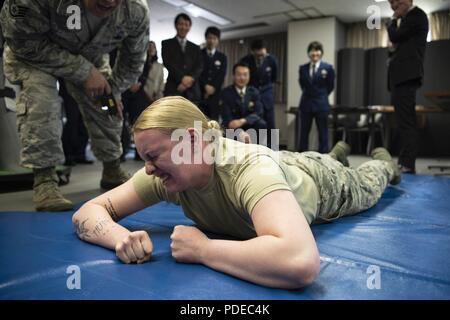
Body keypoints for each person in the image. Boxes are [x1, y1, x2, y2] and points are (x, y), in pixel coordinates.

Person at [72, 96, 401, 289]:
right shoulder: (167, 172)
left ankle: (383, 161)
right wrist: (118, 238)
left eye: (153, 157)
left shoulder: (248, 169)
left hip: (323, 181)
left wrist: (205, 250)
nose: (147, 169)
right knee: (310, 157)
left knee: (368, 181)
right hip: (285, 162)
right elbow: (87, 212)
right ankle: (337, 150)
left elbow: (301, 262)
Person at [0, 0, 149, 211]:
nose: (109, 2)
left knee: (108, 107)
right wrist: (84, 72)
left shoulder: (135, 9)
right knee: (42, 102)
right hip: (35, 54)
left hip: (90, 55)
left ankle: (112, 168)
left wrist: (112, 90)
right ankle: (45, 180)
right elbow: (21, 42)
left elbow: (133, 62)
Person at [387, 0, 428, 174]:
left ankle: (407, 163)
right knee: (403, 121)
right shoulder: (407, 21)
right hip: (400, 78)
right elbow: (396, 46)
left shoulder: (416, 15)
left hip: (406, 77)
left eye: (396, 1)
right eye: (390, 3)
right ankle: (405, 161)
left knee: (407, 122)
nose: (394, 5)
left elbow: (395, 37)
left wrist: (390, 21)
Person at [121, 41, 165, 160]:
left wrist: (158, 96)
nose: (151, 49)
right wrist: (145, 94)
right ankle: (133, 151)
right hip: (140, 98)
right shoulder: (140, 64)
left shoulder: (159, 66)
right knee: (137, 125)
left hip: (154, 98)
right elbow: (141, 82)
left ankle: (145, 153)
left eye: (153, 47)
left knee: (150, 127)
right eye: (149, 47)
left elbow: (161, 83)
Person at [297, 41, 335, 154]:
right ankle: (302, 155)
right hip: (306, 104)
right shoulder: (302, 68)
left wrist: (321, 95)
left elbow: (330, 86)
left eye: (317, 50)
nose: (315, 53)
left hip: (321, 104)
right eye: (312, 50)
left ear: (321, 53)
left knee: (323, 132)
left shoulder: (328, 68)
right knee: (303, 132)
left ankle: (323, 155)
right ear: (309, 53)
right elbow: (302, 85)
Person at [240, 39, 278, 148]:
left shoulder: (272, 60)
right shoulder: (246, 60)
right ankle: (257, 149)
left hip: (267, 97)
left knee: (271, 125)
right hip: (252, 97)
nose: (260, 57)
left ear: (265, 50)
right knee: (255, 124)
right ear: (253, 52)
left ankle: (273, 149)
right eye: (258, 55)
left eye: (262, 54)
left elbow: (274, 78)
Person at [220, 63, 266, 144]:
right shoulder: (226, 93)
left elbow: (259, 112)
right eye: (239, 75)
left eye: (245, 75)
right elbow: (227, 119)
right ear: (233, 76)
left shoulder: (254, 92)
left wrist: (243, 121)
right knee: (226, 129)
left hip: (248, 125)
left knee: (261, 124)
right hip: (232, 127)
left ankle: (260, 152)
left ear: (249, 76)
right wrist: (239, 132)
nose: (242, 78)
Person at [162, 13, 202, 103]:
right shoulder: (166, 44)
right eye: (181, 24)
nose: (183, 27)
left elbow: (199, 66)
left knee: (192, 116)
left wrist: (189, 79)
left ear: (189, 27)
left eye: (186, 25)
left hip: (192, 91)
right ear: (176, 25)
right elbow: (168, 63)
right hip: (173, 88)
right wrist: (182, 79)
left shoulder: (196, 47)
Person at [198, 27, 227, 121]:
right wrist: (205, 86)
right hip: (200, 94)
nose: (211, 41)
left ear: (218, 40)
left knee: (214, 123)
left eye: (214, 38)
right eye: (209, 38)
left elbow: (222, 75)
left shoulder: (222, 57)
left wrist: (213, 88)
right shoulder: (198, 54)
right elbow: (197, 73)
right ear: (206, 39)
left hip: (215, 96)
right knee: (199, 122)